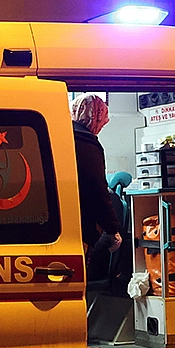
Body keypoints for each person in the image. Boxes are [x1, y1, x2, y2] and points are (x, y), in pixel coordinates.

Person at [71, 94, 122, 258]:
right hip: (80, 227)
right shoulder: (87, 143)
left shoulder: (62, 136)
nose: (101, 128)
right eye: (102, 123)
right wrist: (112, 229)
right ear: (95, 118)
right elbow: (97, 189)